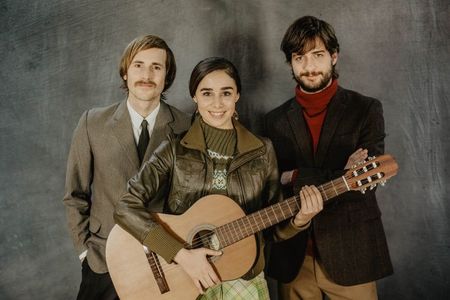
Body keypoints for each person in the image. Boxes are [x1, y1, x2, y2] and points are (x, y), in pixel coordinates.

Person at [114, 57, 324, 300]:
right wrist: (180, 254)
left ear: (237, 96)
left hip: (244, 280)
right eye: (206, 93)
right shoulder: (174, 148)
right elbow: (125, 207)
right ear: (194, 96)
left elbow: (271, 229)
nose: (217, 103)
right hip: (184, 278)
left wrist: (300, 219)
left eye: (226, 93)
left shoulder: (263, 150)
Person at [264, 16, 393, 300]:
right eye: (299, 58)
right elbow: (272, 186)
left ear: (334, 56)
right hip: (294, 257)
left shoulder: (366, 109)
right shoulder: (273, 122)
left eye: (318, 55)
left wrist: (295, 176)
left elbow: (363, 181)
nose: (309, 67)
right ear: (290, 63)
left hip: (352, 255)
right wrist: (339, 174)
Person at [63, 34, 190, 300]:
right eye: (138, 65)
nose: (147, 74)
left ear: (167, 76)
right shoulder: (92, 123)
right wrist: (84, 252)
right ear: (125, 72)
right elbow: (75, 194)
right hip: (103, 258)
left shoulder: (185, 126)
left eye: (157, 67)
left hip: (165, 259)